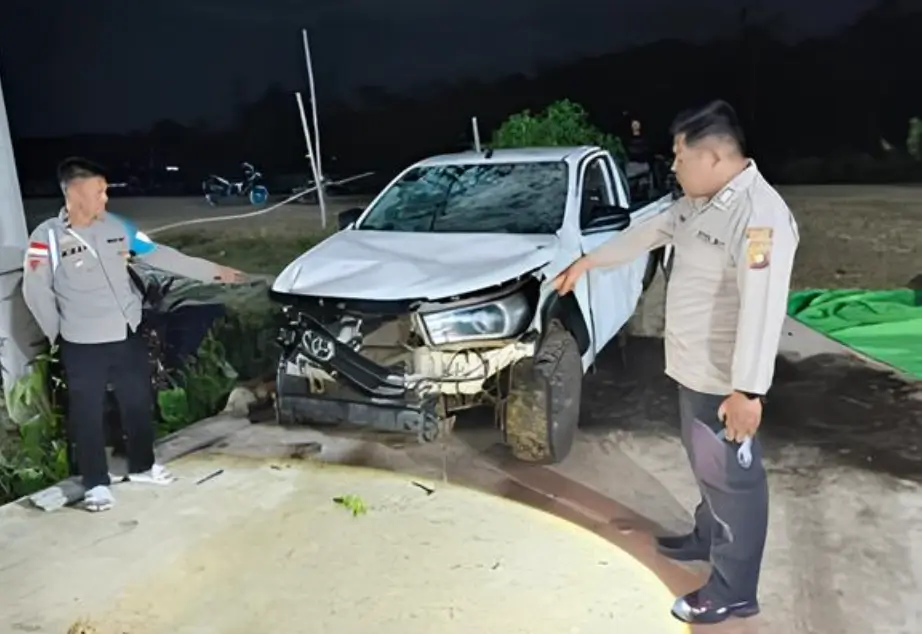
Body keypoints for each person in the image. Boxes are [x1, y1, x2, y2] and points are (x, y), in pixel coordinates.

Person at [554, 100, 798, 624]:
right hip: (693, 371)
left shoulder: (758, 216)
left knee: (734, 483)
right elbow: (650, 231)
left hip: (726, 382)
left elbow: (762, 309)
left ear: (713, 157)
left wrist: (748, 391)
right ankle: (707, 535)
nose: (674, 166)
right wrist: (589, 261)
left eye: (680, 157)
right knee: (707, 467)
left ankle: (734, 589)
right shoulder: (698, 202)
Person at [22, 157, 246, 512]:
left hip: (126, 334)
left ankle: (142, 466)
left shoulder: (118, 227)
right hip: (82, 343)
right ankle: (96, 484)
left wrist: (212, 271)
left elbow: (159, 254)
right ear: (75, 193)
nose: (105, 198)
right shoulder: (46, 237)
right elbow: (36, 291)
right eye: (99, 191)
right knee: (88, 414)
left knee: (138, 403)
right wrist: (60, 335)